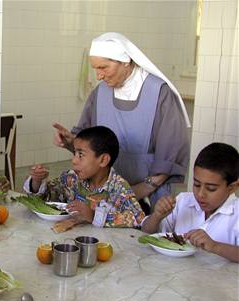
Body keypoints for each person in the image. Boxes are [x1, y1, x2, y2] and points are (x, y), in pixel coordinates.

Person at [53, 32, 190, 209]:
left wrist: (140, 189)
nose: (99, 76)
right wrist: (71, 141)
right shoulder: (100, 93)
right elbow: (88, 142)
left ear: (125, 61)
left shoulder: (158, 93)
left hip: (151, 191)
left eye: (104, 68)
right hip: (107, 189)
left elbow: (171, 153)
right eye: (96, 69)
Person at [24, 126, 144, 230]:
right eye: (75, 153)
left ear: (103, 160)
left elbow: (138, 219)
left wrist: (94, 216)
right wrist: (37, 181)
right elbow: (45, 199)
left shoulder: (119, 188)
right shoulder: (71, 179)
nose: (74, 160)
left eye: (81, 155)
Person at [142, 143, 239, 262]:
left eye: (211, 188)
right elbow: (146, 232)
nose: (200, 194)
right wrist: (156, 216)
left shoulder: (236, 213)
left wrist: (215, 246)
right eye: (196, 184)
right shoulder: (183, 201)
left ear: (233, 187)